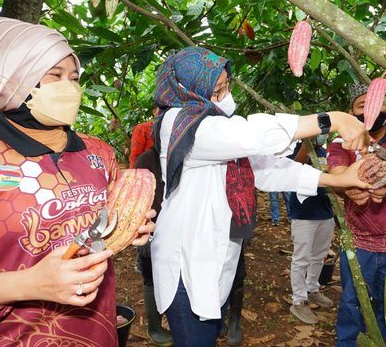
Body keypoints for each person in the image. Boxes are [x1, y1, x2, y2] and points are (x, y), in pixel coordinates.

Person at [0, 17, 155, 346]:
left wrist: (123, 225)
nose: (69, 87)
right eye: (54, 76)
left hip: (95, 333)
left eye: (74, 77)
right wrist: (28, 284)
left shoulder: (98, 153)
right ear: (11, 79)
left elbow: (93, 234)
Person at [149, 46, 371, 347]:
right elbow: (250, 135)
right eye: (217, 91)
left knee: (209, 333)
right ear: (190, 90)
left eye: (227, 87)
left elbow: (266, 168)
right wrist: (330, 119)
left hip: (219, 259)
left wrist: (335, 179)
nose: (226, 96)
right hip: (186, 267)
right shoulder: (180, 124)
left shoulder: (214, 127)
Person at [329, 83, 386, 345]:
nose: (371, 110)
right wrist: (348, 189)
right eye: (363, 105)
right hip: (361, 242)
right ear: (352, 111)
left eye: (378, 103)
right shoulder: (342, 141)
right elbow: (337, 173)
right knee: (352, 302)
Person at [287, 140, 335, 325]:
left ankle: (312, 288)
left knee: (319, 256)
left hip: (325, 213)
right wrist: (307, 143)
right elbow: (295, 168)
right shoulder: (297, 149)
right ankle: (298, 300)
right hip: (304, 214)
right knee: (301, 258)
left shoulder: (325, 152)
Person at [133, 146, 173, 346]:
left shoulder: (180, 156)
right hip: (150, 228)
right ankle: (154, 327)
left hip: (174, 228)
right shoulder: (146, 160)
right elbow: (137, 199)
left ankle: (169, 318)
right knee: (150, 278)